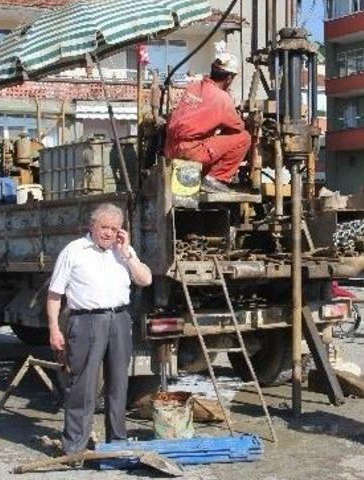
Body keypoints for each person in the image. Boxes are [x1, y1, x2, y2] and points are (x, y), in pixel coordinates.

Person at [47, 203, 153, 455]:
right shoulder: (73, 251)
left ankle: (116, 441)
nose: (108, 233)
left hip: (119, 319)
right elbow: (54, 294)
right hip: (85, 322)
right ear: (92, 226)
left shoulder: (123, 252)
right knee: (83, 385)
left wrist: (126, 251)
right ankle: (74, 446)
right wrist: (54, 329)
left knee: (119, 384)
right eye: (104, 227)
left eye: (114, 228)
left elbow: (145, 279)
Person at [164, 52, 251, 193]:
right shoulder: (222, 98)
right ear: (229, 78)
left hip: (171, 148)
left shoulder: (194, 86)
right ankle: (214, 178)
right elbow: (238, 126)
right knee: (244, 137)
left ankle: (206, 173)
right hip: (190, 151)